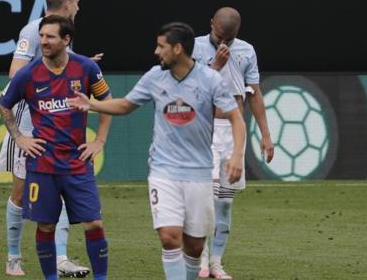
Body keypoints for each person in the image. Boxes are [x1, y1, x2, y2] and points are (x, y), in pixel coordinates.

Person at [67, 22, 246, 280]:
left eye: (161, 46)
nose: (156, 51)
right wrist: (91, 105)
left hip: (198, 173)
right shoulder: (154, 76)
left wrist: (238, 155)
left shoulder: (210, 80)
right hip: (163, 171)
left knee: (194, 246)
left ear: (177, 48)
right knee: (169, 237)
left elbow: (236, 118)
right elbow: (126, 105)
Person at [0, 0, 102, 277]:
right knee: (19, 193)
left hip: (59, 129)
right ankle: (14, 257)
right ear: (68, 3)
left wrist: (81, 66)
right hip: (31, 127)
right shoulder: (34, 30)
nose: (79, 5)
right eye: (78, 0)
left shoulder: (64, 34)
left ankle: (60, 257)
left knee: (65, 190)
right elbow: (16, 72)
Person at [191, 7, 274, 279]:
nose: (223, 42)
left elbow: (254, 93)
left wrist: (265, 134)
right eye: (219, 35)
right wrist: (214, 65)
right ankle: (201, 261)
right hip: (206, 130)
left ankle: (216, 263)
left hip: (234, 132)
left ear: (237, 33)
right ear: (211, 23)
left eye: (229, 38)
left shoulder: (247, 51)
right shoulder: (195, 47)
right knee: (209, 197)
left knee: (225, 202)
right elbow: (189, 88)